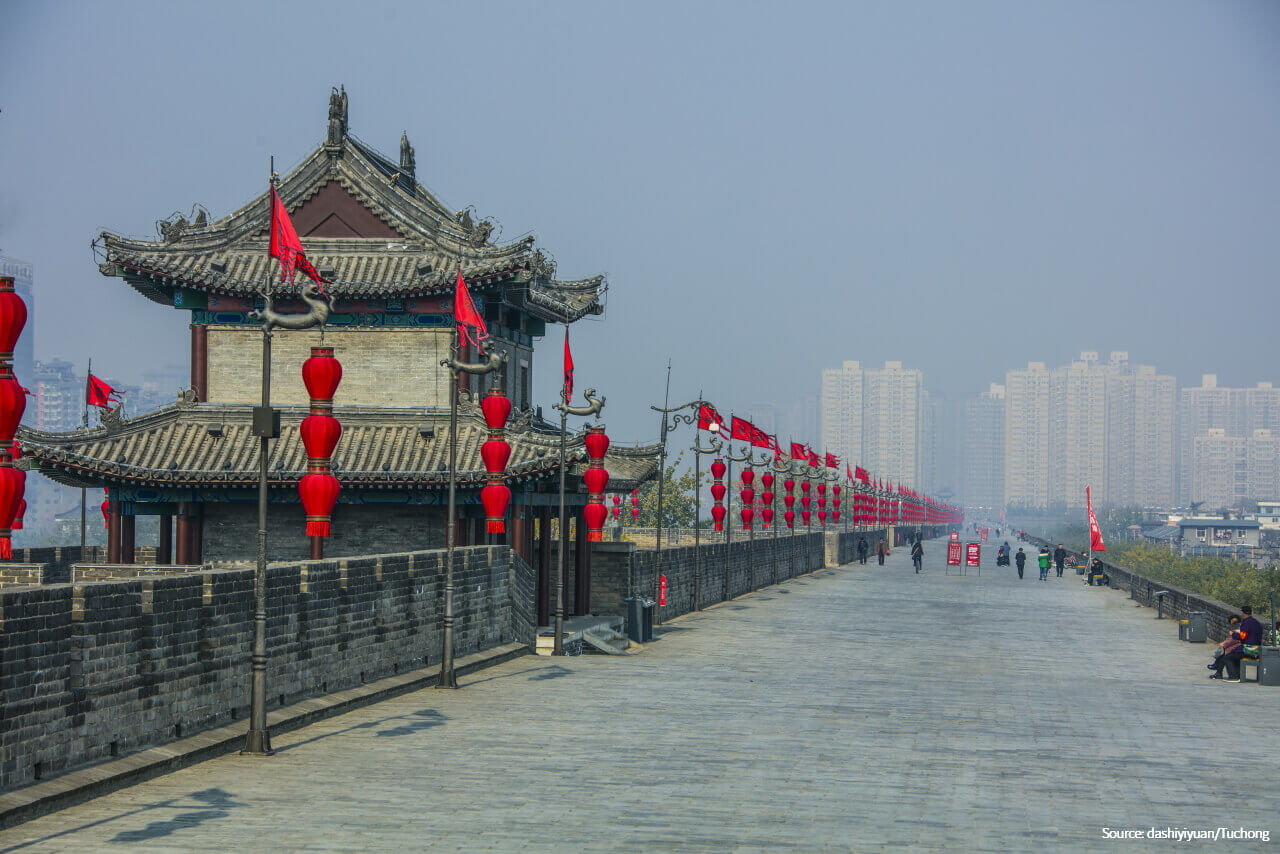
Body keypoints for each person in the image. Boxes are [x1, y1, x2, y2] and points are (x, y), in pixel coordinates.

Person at [1218, 606, 1263, 682]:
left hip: (1248, 649)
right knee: (1235, 654)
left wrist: (1233, 634)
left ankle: (1234, 676)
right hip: (1257, 649)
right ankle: (1237, 675)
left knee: (1228, 657)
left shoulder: (1246, 623)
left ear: (1243, 614)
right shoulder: (1256, 622)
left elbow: (1243, 636)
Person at [1207, 615, 1243, 680]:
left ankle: (1218, 669)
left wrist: (1224, 644)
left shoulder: (1239, 629)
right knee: (1224, 653)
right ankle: (1218, 671)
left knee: (1225, 654)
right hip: (1236, 647)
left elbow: (1234, 640)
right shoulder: (1237, 629)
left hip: (1239, 649)